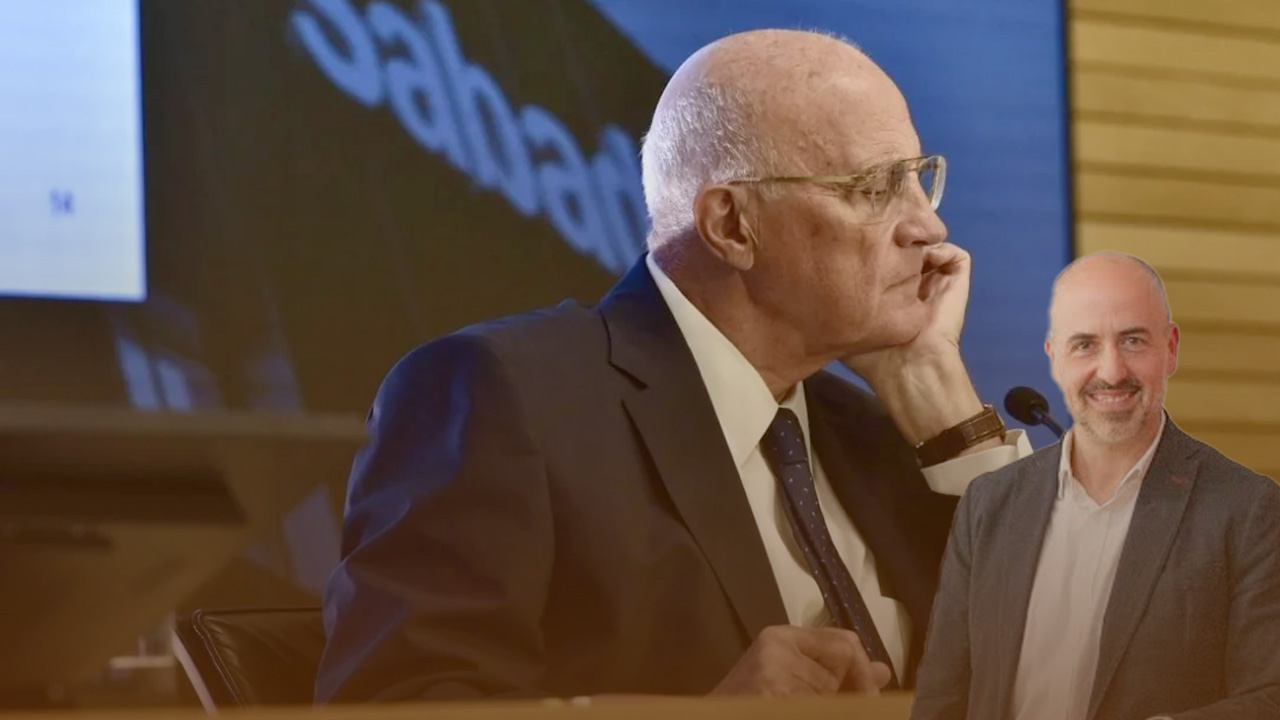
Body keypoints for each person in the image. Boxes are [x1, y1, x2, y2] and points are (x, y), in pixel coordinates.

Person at [315, 29, 1030, 704]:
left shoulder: (876, 434)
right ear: (731, 226)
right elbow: (399, 703)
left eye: (919, 178)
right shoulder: (503, 397)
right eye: (874, 188)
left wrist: (939, 395)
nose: (929, 226)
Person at [911, 252, 1280, 720]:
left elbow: (1270, 697)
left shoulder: (1247, 509)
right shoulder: (988, 503)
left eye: (1133, 341)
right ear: (1055, 358)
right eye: (1085, 344)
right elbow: (941, 699)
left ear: (1170, 349)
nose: (1111, 371)